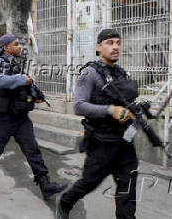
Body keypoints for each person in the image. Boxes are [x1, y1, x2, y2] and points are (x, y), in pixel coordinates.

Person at [56, 29, 138, 219]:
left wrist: (133, 113)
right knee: (89, 182)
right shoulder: (89, 73)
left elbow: (126, 102)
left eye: (118, 42)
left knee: (128, 190)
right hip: (101, 143)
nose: (116, 46)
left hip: (125, 144)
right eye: (110, 42)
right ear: (98, 47)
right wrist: (111, 110)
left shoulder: (121, 73)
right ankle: (65, 202)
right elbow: (78, 106)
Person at [0, 34, 67, 200]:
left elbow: (21, 86)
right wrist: (21, 79)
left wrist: (35, 94)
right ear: (6, 47)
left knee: (33, 150)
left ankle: (45, 184)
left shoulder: (15, 63)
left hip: (20, 117)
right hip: (2, 117)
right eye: (16, 44)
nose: (19, 47)